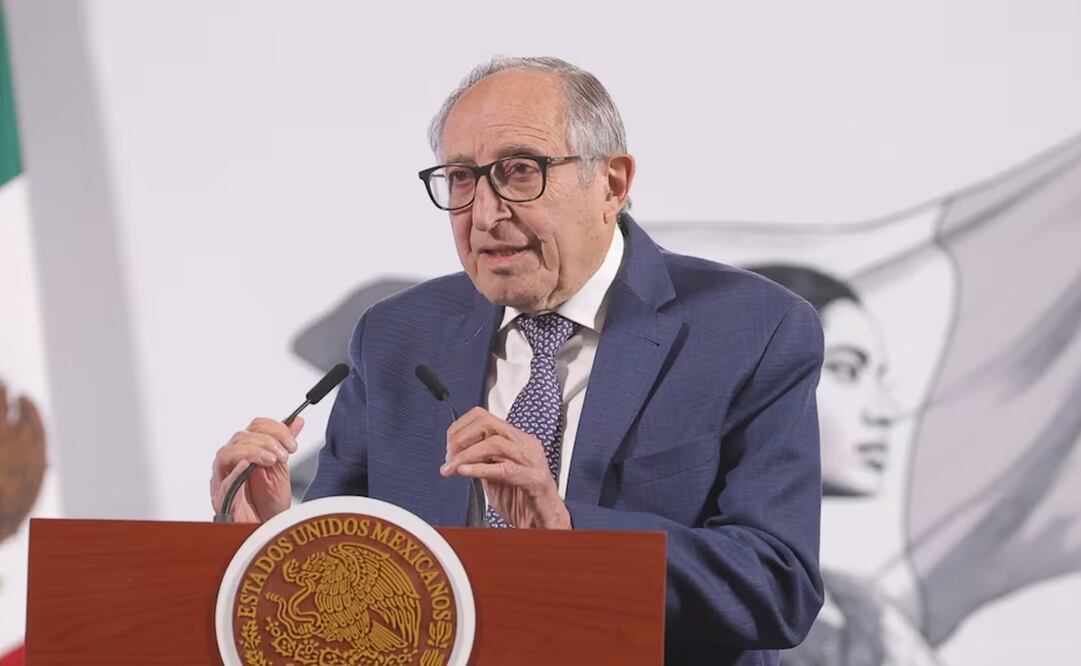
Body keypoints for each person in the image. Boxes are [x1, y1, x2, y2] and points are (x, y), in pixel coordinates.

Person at [212, 57, 825, 664]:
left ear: (612, 184)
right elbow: (352, 572)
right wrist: (272, 540)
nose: (484, 214)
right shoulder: (397, 336)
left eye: (520, 171)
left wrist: (565, 530)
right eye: (461, 178)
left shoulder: (754, 329)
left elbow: (779, 587)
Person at [747, 265, 938, 666]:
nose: (885, 411)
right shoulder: (646, 580)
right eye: (846, 369)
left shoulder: (863, 611)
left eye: (878, 377)